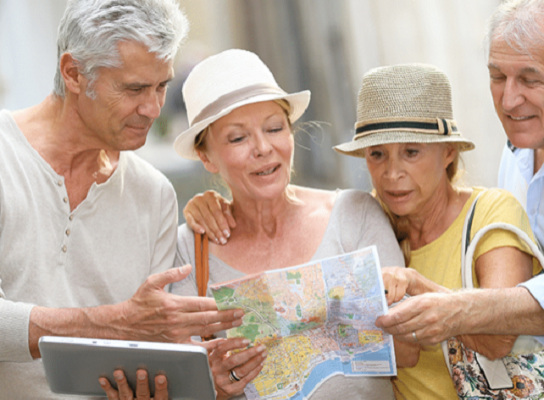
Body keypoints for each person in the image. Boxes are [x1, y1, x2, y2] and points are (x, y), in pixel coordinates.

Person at [0, 1, 243, 399]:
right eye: (134, 88)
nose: (152, 108)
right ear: (73, 73)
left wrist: (190, 375)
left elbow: (146, 353)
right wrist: (117, 323)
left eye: (161, 86)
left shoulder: (154, 195)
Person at [183, 62, 543, 399]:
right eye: (377, 155)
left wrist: (416, 284)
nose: (392, 173)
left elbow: (498, 339)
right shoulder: (373, 213)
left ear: (448, 152)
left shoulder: (491, 212)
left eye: (412, 152)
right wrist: (204, 203)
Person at [376, 0, 544, 370]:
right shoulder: (522, 144)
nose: (509, 100)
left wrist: (456, 308)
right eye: (498, 76)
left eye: (530, 79)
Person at [169, 48, 407, 400]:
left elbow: (411, 350)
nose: (263, 147)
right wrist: (213, 384)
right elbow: (184, 386)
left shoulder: (355, 213)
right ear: (206, 156)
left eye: (275, 128)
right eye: (238, 137)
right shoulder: (189, 247)